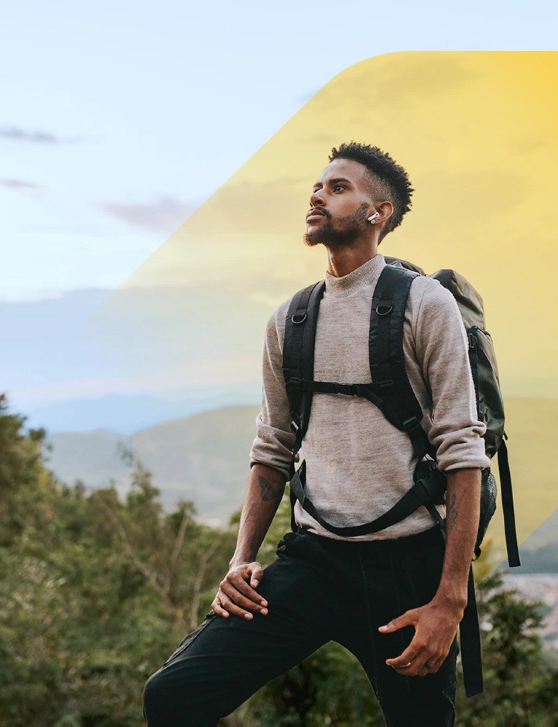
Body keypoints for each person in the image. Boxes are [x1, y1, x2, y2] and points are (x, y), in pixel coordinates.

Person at [143, 142, 489, 726]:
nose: (317, 195)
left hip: (407, 574)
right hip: (313, 561)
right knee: (173, 697)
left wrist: (448, 600)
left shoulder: (425, 305)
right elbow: (272, 449)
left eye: (337, 187)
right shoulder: (290, 320)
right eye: (317, 185)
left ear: (377, 212)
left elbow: (462, 449)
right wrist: (240, 560)